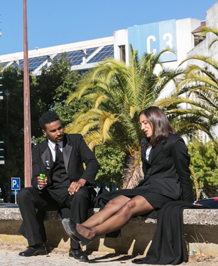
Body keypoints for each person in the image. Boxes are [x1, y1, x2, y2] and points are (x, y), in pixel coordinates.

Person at [62, 106, 194, 247]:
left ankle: (92, 233)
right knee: (112, 202)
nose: (142, 127)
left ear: (156, 121)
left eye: (145, 123)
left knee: (129, 206)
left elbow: (184, 174)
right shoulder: (146, 143)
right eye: (141, 123)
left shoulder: (174, 142)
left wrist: (188, 202)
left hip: (166, 191)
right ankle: (79, 228)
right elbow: (148, 172)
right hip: (149, 187)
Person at [17, 111, 100, 261]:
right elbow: (35, 177)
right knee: (24, 194)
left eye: (60, 128)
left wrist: (82, 181)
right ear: (44, 132)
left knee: (81, 194)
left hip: (73, 192)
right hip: (51, 194)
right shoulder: (38, 149)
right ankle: (37, 245)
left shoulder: (76, 140)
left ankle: (75, 248)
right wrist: (39, 184)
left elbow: (93, 162)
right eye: (53, 131)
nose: (59, 132)